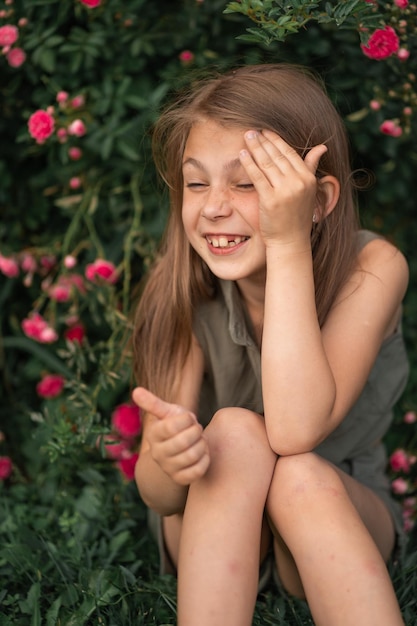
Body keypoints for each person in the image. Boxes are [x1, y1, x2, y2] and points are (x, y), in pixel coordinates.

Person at [132, 63, 409, 626]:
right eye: (196, 182)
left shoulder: (373, 268)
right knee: (233, 433)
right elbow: (159, 496)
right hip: (215, 520)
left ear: (316, 201)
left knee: (298, 473)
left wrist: (287, 244)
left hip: (332, 517)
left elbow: (294, 431)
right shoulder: (187, 284)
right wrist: (165, 459)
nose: (213, 206)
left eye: (247, 182)